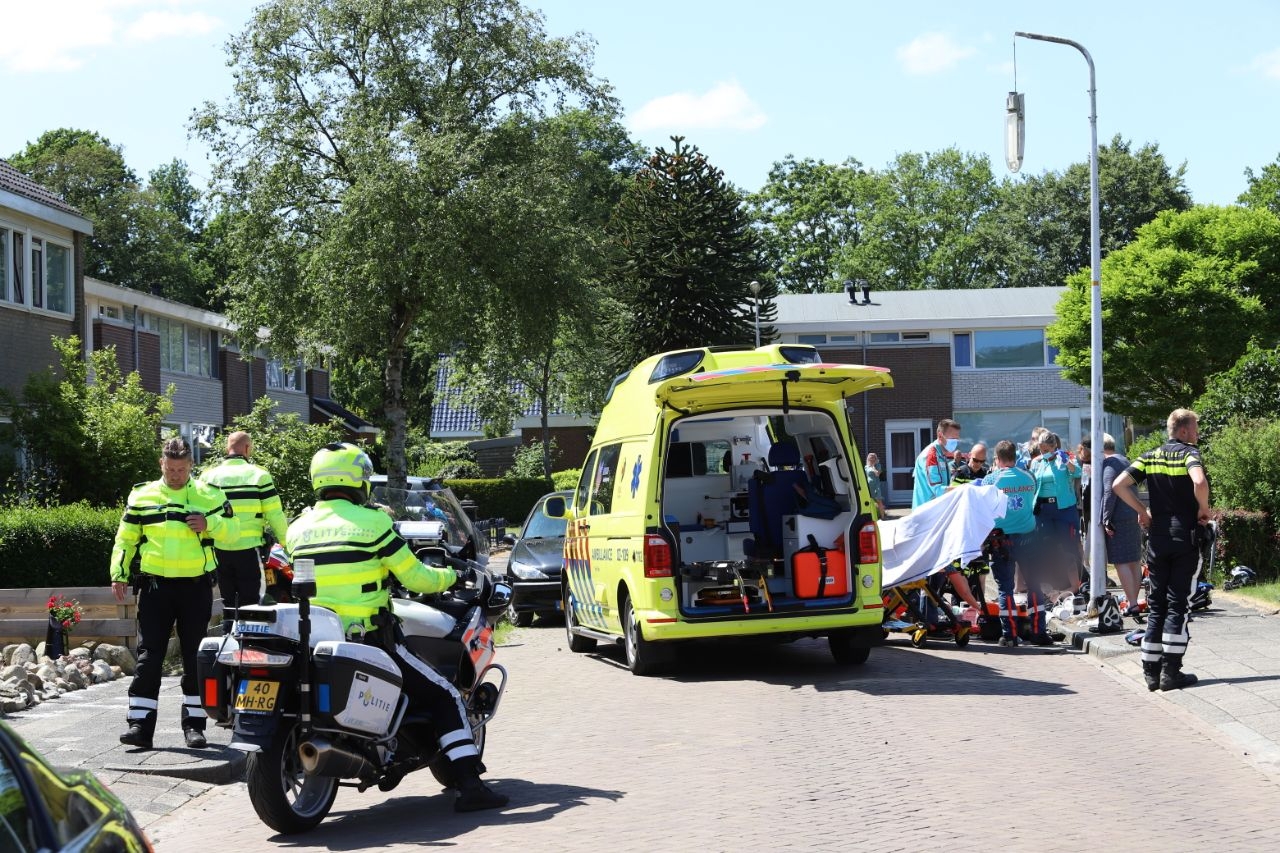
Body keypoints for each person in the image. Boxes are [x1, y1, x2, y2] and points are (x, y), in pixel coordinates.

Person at [286, 442, 507, 812]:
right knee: (445, 695)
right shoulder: (373, 524)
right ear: (359, 481)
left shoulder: (297, 529)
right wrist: (450, 575)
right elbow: (416, 577)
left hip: (315, 641)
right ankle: (470, 785)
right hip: (370, 640)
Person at [109, 437, 239, 750]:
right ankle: (140, 725)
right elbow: (125, 539)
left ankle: (194, 727)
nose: (176, 474)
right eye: (170, 469)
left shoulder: (209, 495)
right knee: (149, 656)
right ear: (161, 465)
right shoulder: (142, 495)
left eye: (181, 469)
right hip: (155, 587)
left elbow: (235, 531)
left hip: (195, 587)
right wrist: (119, 573)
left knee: (195, 657)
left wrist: (210, 523)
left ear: (191, 466)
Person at [1111, 409, 1210, 692]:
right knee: (1179, 603)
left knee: (1157, 604)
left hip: (1157, 537)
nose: (1197, 434)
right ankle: (1171, 671)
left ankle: (1150, 672)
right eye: (1195, 428)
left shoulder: (1150, 455)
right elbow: (1199, 481)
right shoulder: (1189, 454)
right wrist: (1203, 511)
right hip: (1185, 537)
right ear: (1183, 431)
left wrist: (1143, 511)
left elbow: (1119, 485)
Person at [199, 431, 289, 629]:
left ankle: (228, 643)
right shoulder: (259, 475)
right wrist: (287, 545)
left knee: (228, 604)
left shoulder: (208, 476)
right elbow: (275, 514)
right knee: (252, 604)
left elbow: (201, 515)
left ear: (226, 448)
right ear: (248, 449)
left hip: (218, 550)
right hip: (249, 551)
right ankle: (248, 648)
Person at [911, 418, 983, 614]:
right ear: (940, 435)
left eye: (957, 439)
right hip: (927, 519)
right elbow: (937, 490)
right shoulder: (931, 455)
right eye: (952, 438)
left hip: (937, 517)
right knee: (933, 571)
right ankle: (927, 615)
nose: (955, 442)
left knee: (939, 571)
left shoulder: (942, 455)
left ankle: (930, 612)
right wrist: (965, 488)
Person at [982, 440, 1040, 646]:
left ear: (996, 459)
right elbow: (1031, 497)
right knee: (1034, 584)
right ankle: (1039, 632)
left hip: (1002, 539)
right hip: (1028, 535)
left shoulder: (991, 479)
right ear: (1015, 456)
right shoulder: (1029, 477)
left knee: (1005, 586)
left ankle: (1010, 634)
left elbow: (983, 505)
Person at [1030, 431, 1081, 598]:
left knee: (1069, 547)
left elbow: (1078, 473)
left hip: (1063, 509)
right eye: (1041, 449)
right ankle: (1049, 585)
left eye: (1046, 449)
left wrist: (1067, 463)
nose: (1044, 452)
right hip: (1043, 510)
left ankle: (1075, 586)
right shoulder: (1037, 462)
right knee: (1044, 548)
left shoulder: (1064, 458)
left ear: (1054, 447)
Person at [1097, 433, 1143, 617]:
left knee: (1121, 561)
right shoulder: (1124, 459)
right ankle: (1134, 599)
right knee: (1134, 560)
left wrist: (1106, 518)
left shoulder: (1110, 464)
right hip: (1132, 512)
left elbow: (1110, 491)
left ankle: (1132, 603)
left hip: (1118, 517)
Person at [864, 452, 886, 517]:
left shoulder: (878, 465)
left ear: (876, 459)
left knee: (879, 501)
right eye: (870, 459)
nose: (872, 460)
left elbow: (877, 474)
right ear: (868, 459)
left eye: (873, 459)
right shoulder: (866, 467)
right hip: (869, 486)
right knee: (871, 501)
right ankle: (873, 516)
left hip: (876, 485)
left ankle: (883, 516)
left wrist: (873, 467)